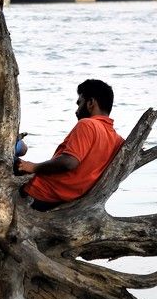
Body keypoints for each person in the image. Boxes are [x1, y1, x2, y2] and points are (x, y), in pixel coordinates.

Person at [17, 79, 124, 212]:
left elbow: (69, 162)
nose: (77, 111)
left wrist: (34, 167)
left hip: (40, 194)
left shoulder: (87, 124)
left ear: (90, 103)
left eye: (80, 103)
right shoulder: (117, 140)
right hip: (67, 198)